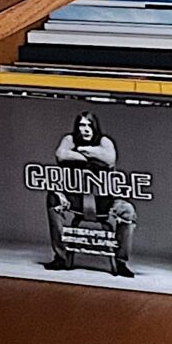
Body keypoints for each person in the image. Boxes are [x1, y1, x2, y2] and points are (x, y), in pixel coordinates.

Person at [43, 109, 137, 276]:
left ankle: (121, 262)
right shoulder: (69, 139)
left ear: (94, 127)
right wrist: (92, 156)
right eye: (80, 125)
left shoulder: (104, 141)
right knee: (53, 198)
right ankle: (61, 257)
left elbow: (109, 159)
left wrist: (79, 151)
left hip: (104, 203)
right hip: (75, 201)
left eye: (88, 126)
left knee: (128, 211)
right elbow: (61, 155)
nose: (84, 129)